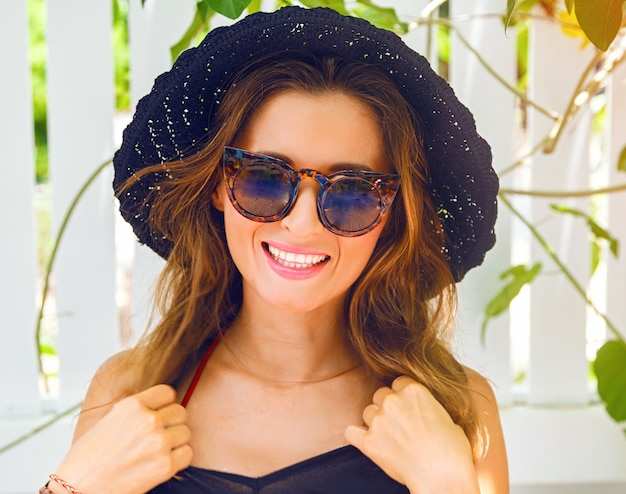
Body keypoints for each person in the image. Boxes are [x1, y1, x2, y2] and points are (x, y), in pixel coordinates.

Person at [41, 6, 507, 494]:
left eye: (351, 191)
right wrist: (76, 485)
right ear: (219, 187)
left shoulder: (459, 407)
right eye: (264, 178)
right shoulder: (126, 392)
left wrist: (449, 482)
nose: (301, 224)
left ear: (390, 213)